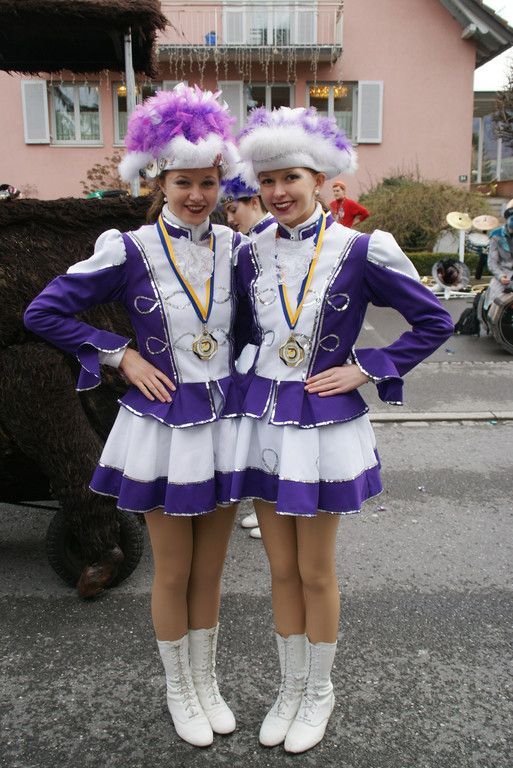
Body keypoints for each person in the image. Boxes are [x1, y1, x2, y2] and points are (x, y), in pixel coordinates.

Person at [24, 84, 244, 748]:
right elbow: (44, 311)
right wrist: (120, 353)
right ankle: (179, 689)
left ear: (220, 182)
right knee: (173, 569)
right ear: (160, 182)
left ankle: (207, 682)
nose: (197, 195)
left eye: (207, 182)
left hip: (226, 422)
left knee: (211, 571)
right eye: (184, 182)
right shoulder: (129, 248)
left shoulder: (237, 248)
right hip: (163, 424)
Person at [233, 106, 454, 753]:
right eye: (267, 180)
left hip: (322, 424)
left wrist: (365, 367)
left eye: (291, 177)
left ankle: (319, 691)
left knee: (314, 570)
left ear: (322, 180)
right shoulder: (249, 252)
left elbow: (434, 320)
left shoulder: (361, 250)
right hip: (262, 421)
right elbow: (239, 334)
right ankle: (289, 686)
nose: (278, 191)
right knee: (279, 569)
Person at [220, 168, 275, 539]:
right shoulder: (250, 243)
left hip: (266, 354)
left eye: (232, 208)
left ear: (253, 202)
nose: (229, 218)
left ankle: (272, 505)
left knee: (267, 433)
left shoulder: (265, 242)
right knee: (256, 435)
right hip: (252, 352)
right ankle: (264, 504)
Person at [485, 199, 513, 310]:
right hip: (503, 275)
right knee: (494, 302)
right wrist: (500, 276)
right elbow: (492, 262)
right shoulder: (496, 235)